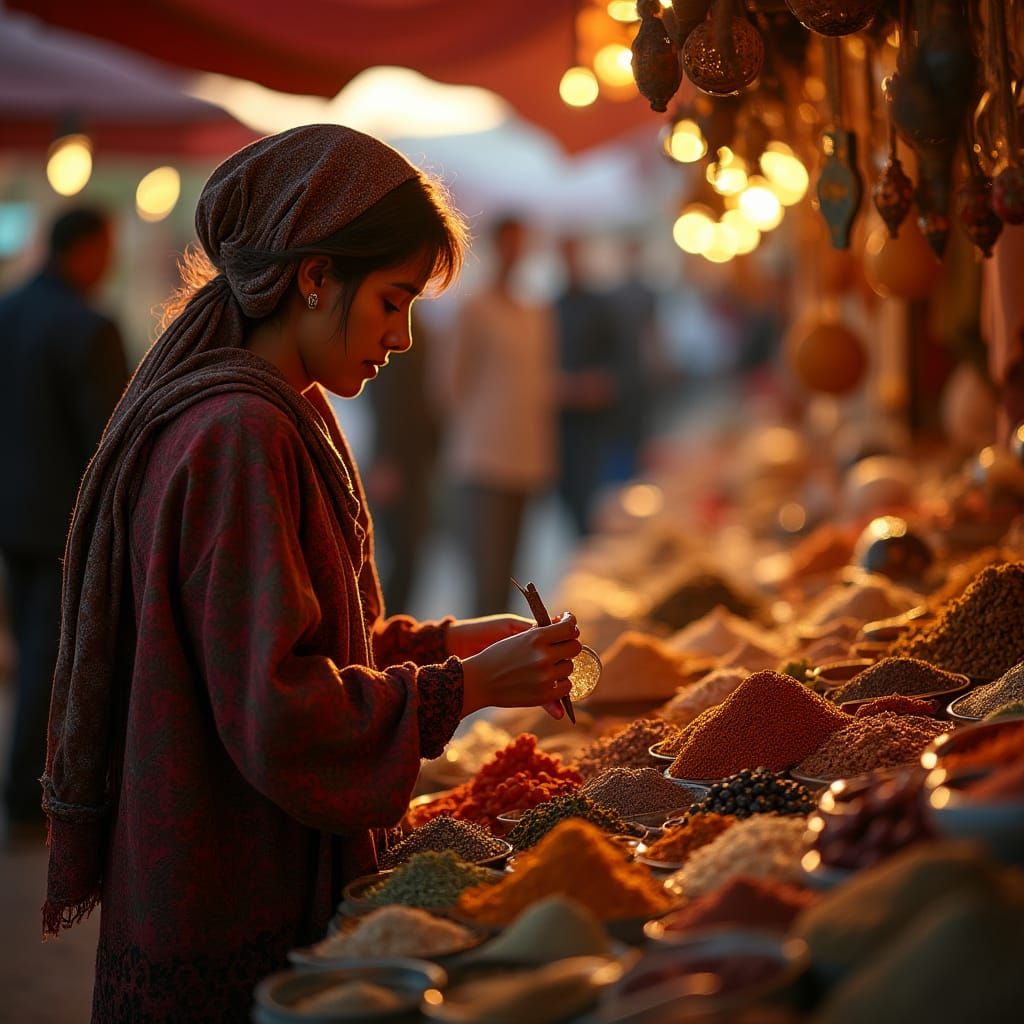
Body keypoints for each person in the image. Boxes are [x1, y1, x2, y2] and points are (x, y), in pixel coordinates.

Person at [41, 126, 580, 1023]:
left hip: (245, 865)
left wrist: (445, 642)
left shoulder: (289, 408)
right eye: (393, 302)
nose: (403, 339)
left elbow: (300, 634)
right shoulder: (238, 434)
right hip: (233, 890)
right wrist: (463, 687)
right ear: (315, 277)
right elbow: (275, 704)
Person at [0, 207, 127, 839]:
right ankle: (30, 795)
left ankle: (26, 787)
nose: (112, 261)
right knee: (53, 662)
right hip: (64, 524)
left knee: (31, 653)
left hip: (11, 515)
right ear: (84, 248)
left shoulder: (9, 310)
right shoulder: (88, 326)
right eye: (109, 247)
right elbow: (108, 442)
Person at [436, 216, 558, 615]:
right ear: (495, 246)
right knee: (485, 574)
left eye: (521, 244)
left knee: (513, 574)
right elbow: (448, 383)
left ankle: (505, 654)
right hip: (482, 457)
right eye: (509, 244)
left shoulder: (534, 312)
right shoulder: (474, 308)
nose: (515, 253)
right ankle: (481, 663)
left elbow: (539, 383)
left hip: (526, 455)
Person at [364, 309, 441, 613]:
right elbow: (387, 399)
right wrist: (386, 460)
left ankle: (394, 627)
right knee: (401, 552)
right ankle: (387, 629)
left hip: (413, 454)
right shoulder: (395, 323)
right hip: (397, 457)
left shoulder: (412, 320)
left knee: (408, 552)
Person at [553, 236, 619, 534]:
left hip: (595, 422)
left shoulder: (599, 305)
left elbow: (617, 360)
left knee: (593, 498)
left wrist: (598, 383)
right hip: (562, 422)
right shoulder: (551, 306)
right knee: (568, 497)